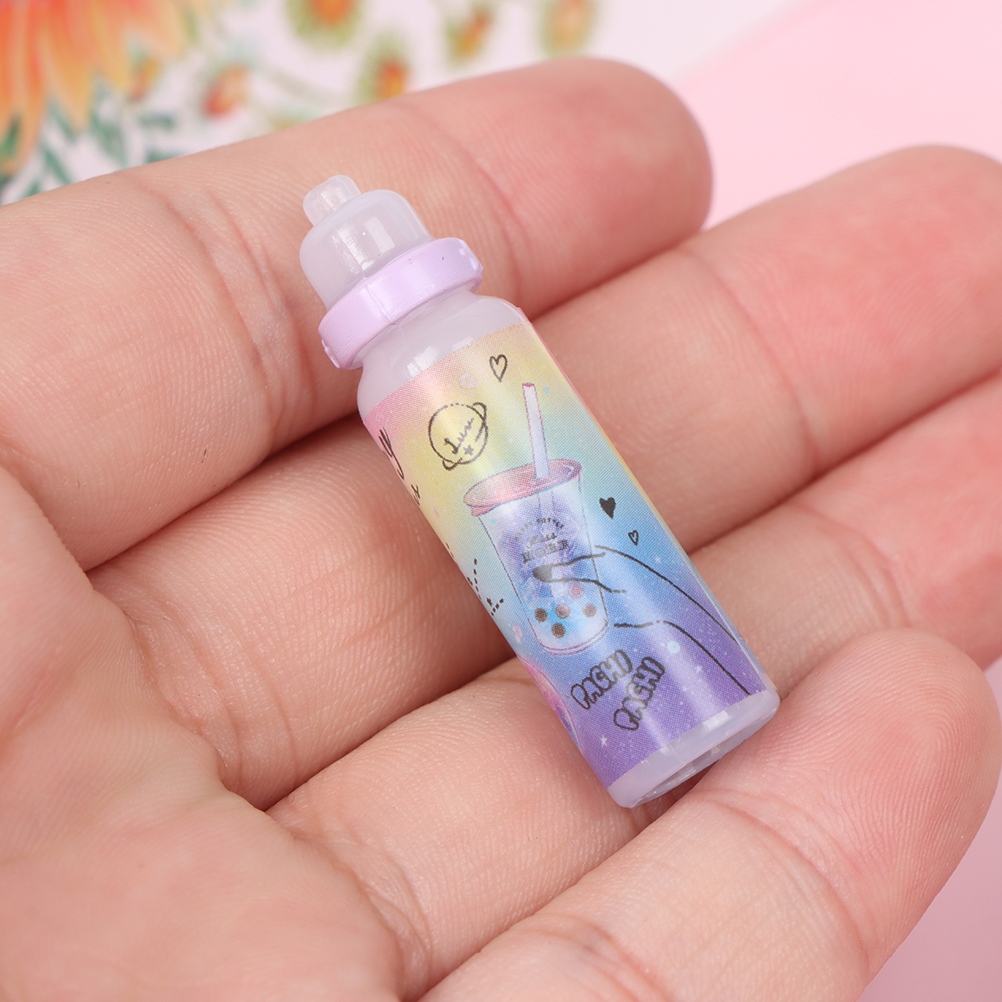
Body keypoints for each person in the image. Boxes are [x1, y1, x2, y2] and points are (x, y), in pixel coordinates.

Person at [0, 58, 999, 1001]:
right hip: (564, 623)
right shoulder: (395, 391)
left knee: (613, 586)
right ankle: (648, 720)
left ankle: (698, 689)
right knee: (572, 612)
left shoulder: (486, 333)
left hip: (629, 611)